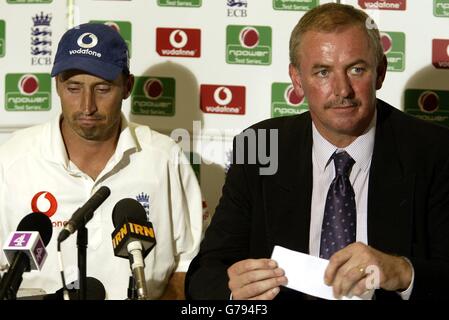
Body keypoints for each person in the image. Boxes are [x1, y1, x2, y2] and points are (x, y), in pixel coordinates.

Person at [185, 3, 449, 300]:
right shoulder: (259, 145)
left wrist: (403, 273)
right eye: (323, 72)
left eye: (356, 69)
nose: (342, 90)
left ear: (380, 73)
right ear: (297, 80)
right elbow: (206, 272)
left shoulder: (435, 152)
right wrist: (232, 293)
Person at [0, 23, 206, 300]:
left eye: (102, 88)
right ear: (58, 86)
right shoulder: (12, 158)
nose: (87, 106)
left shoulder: (165, 158)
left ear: (127, 87)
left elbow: (188, 265)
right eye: (74, 88)